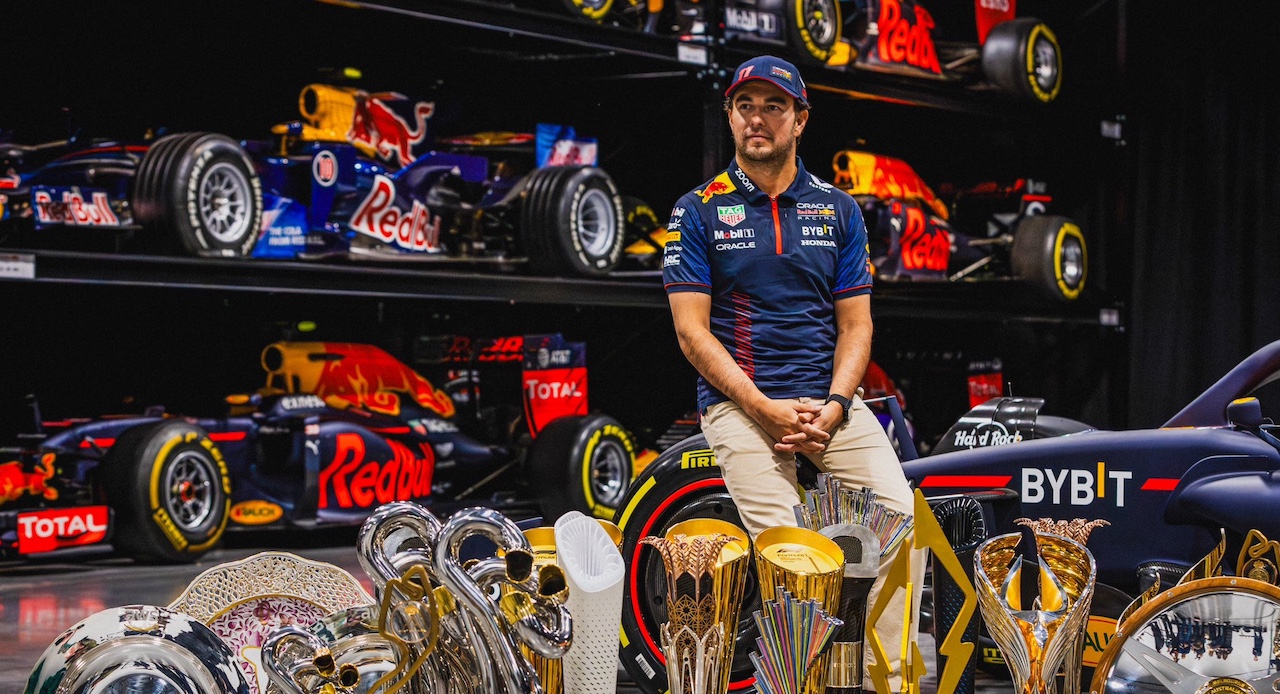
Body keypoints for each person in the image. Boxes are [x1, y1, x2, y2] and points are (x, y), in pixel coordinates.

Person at [662, 54, 924, 691]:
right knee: (793, 547)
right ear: (729, 116)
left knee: (899, 518)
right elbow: (691, 332)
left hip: (830, 405)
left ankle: (883, 682)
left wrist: (836, 405)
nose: (758, 119)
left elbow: (856, 328)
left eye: (773, 106)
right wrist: (759, 405)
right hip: (740, 406)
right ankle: (798, 683)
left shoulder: (838, 210)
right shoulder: (696, 209)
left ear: (800, 120)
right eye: (744, 106)